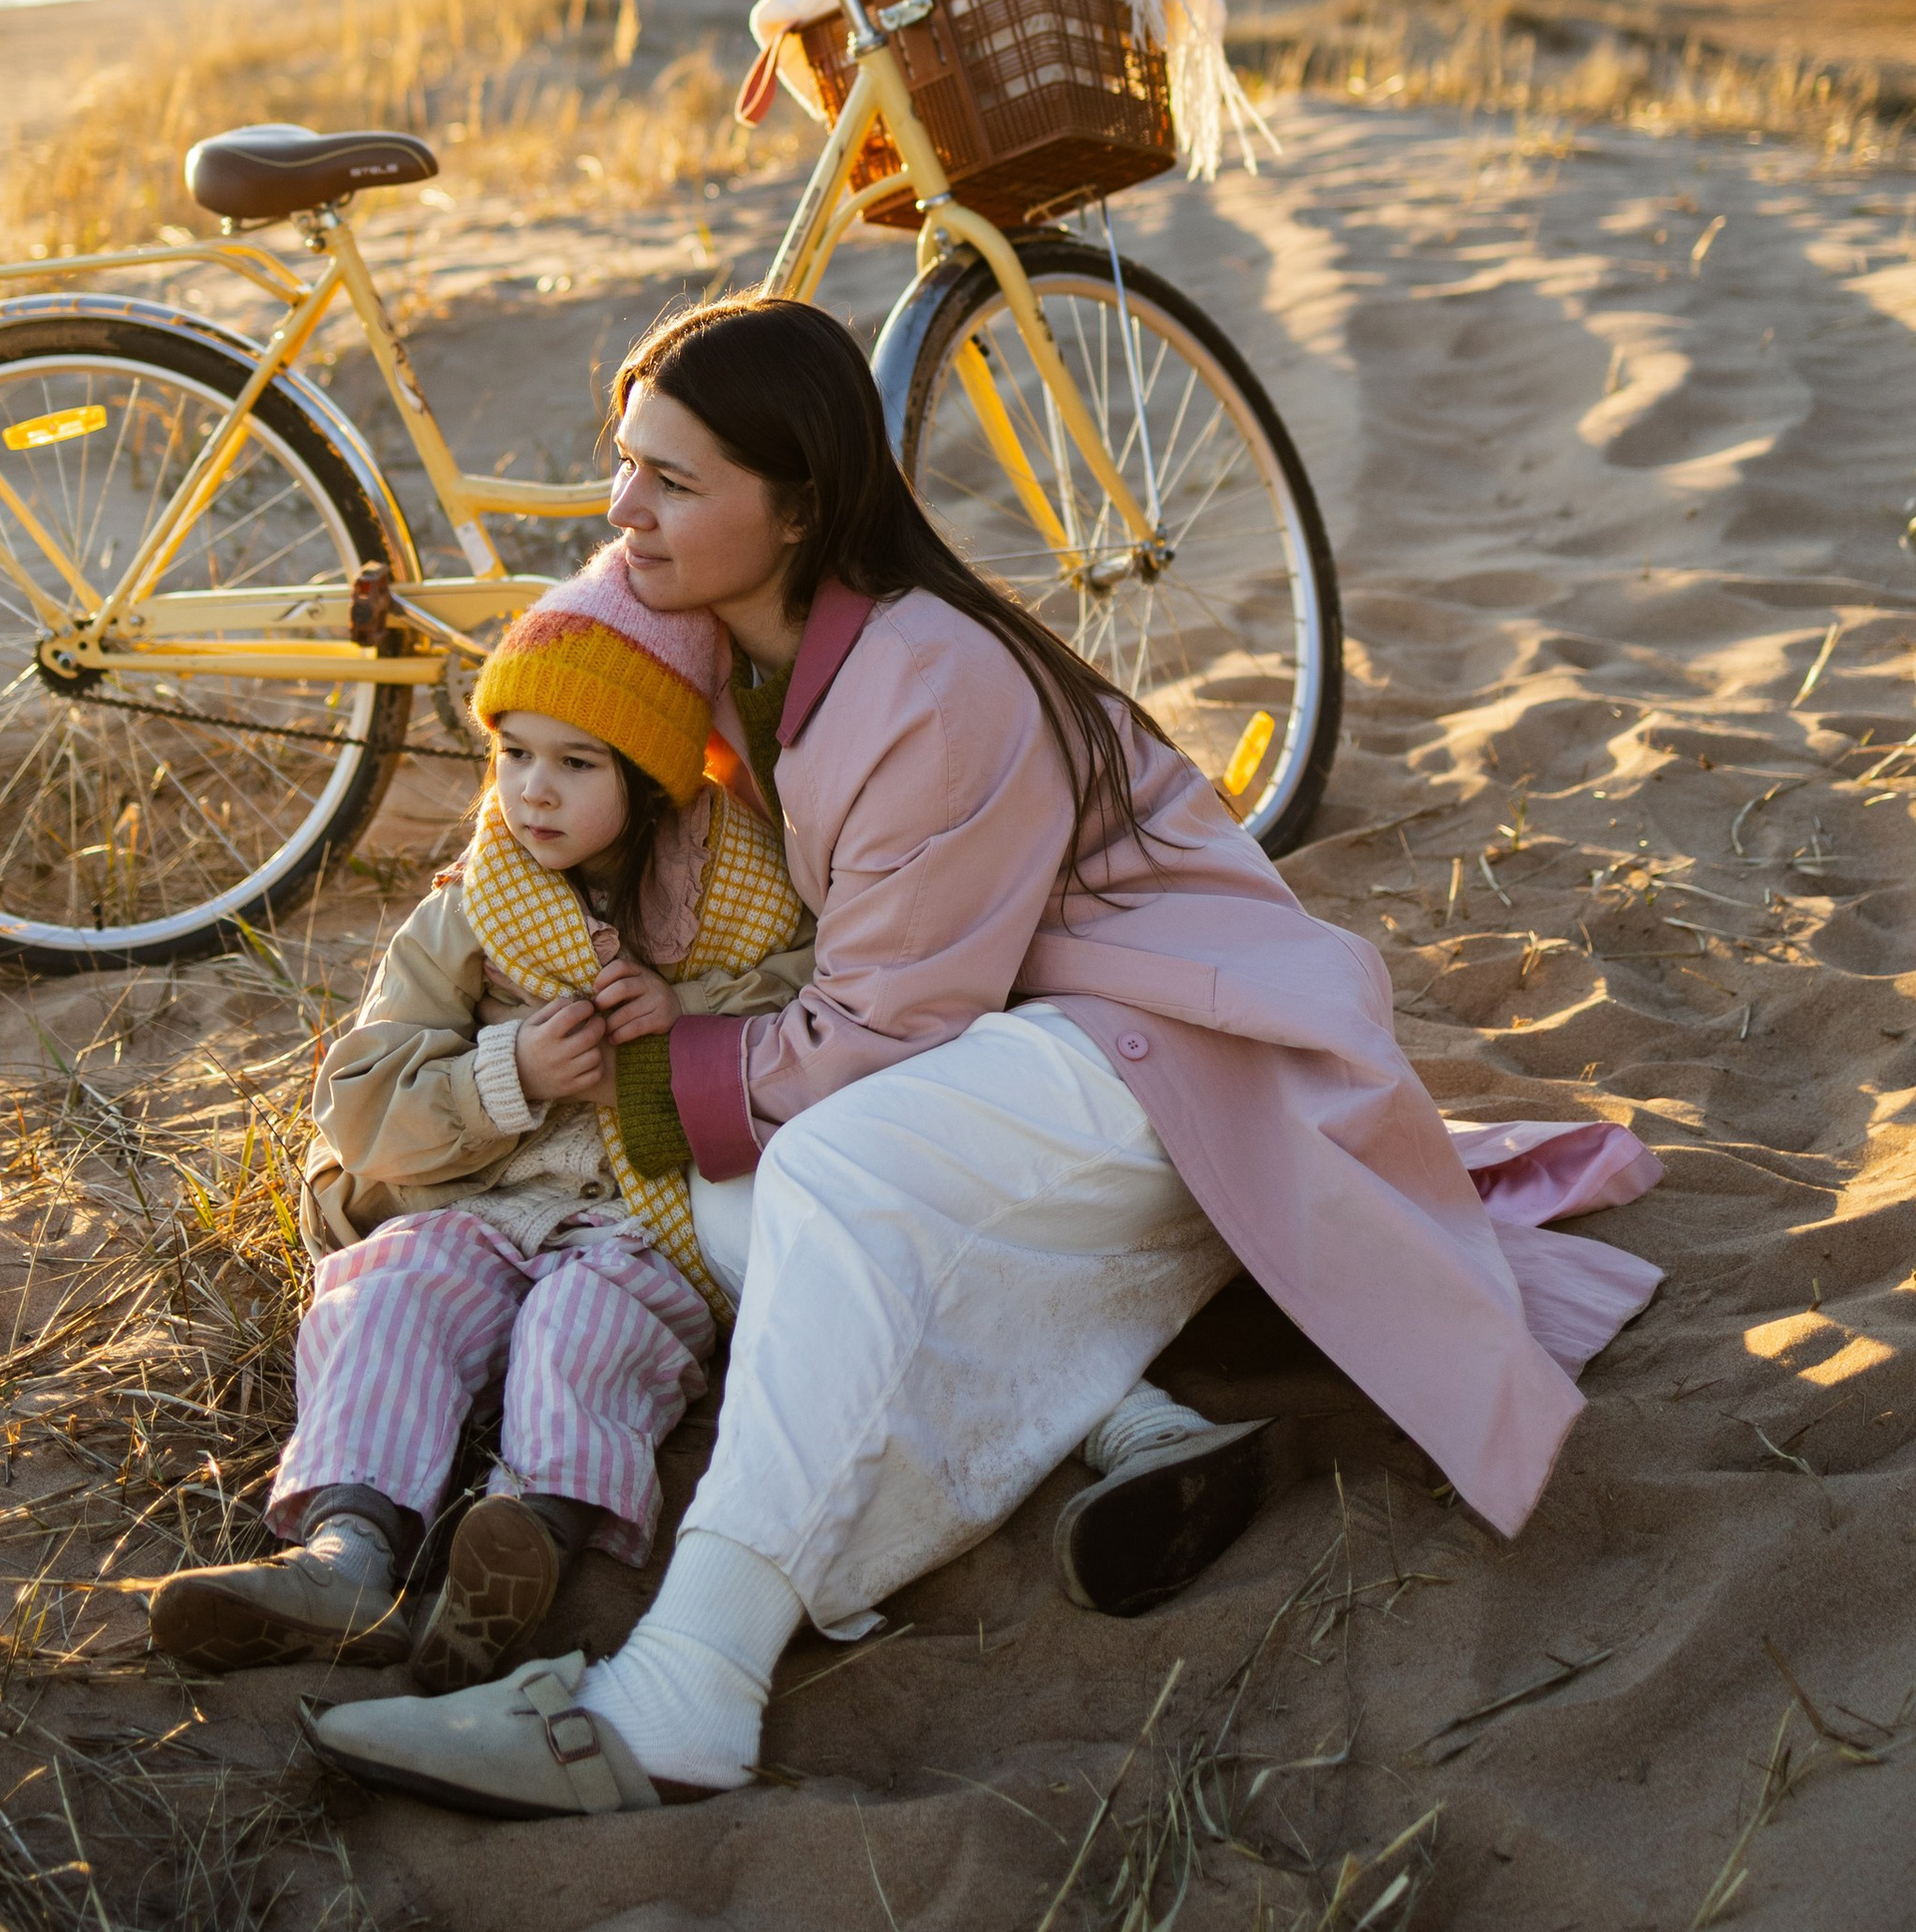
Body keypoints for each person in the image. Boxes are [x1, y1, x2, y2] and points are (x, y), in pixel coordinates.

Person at [306, 293, 1661, 1818]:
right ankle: (1104, 1418)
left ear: (802, 502)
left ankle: (686, 1683)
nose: (625, 509)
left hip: (1186, 1041)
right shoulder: (730, 642)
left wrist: (649, 1075)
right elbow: (625, 788)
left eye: (673, 482)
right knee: (747, 1211)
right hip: (1029, 1055)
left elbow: (881, 1033)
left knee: (809, 1160)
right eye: (625, 464)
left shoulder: (926, 677)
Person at [150, 556, 810, 1690]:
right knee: (390, 1295)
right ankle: (350, 1548)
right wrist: (509, 1069)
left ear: (652, 778)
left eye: (575, 762)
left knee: (588, 1333)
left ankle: (524, 1543)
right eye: (513, 755)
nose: (533, 792)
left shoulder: (742, 899)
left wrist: (684, 1014)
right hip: (476, 1198)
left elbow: (814, 1003)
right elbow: (360, 1102)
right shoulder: (473, 907)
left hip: (633, 1225)